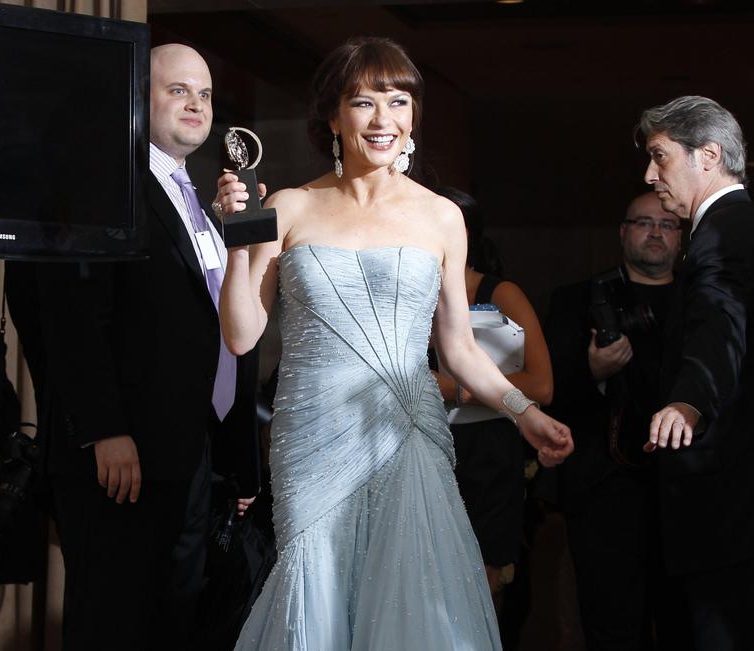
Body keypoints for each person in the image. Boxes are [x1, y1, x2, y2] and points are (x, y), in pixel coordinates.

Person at [215, 37, 573, 649]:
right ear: (333, 117)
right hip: (311, 439)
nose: (384, 119)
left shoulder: (441, 217)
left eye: (398, 102)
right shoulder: (290, 206)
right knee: (316, 589)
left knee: (412, 596)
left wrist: (524, 412)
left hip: (403, 431)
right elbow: (242, 334)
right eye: (363, 102)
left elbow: (459, 349)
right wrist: (236, 242)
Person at [4, 44, 261, 650]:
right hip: (124, 457)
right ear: (139, 100)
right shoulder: (104, 180)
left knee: (174, 624)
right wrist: (103, 429)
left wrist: (237, 461)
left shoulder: (196, 199)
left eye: (205, 94)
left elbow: (226, 331)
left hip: (192, 455)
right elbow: (69, 312)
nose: (196, 105)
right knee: (113, 626)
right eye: (178, 90)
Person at [637, 95, 754, 650]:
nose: (650, 175)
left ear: (709, 155)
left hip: (738, 507)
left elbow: (721, 327)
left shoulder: (725, 234)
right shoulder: (751, 229)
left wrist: (690, 399)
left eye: (660, 157)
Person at [545, 191, 683, 650]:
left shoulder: (701, 300)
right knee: (611, 625)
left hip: (684, 490)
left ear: (681, 236)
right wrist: (593, 371)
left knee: (685, 621)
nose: (656, 232)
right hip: (604, 489)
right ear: (623, 232)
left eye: (667, 224)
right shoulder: (577, 300)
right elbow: (546, 389)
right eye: (644, 223)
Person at [429, 187, 553, 602]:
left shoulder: (500, 294)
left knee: (481, 584)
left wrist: (455, 389)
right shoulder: (406, 297)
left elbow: (542, 385)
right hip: (427, 446)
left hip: (488, 452)